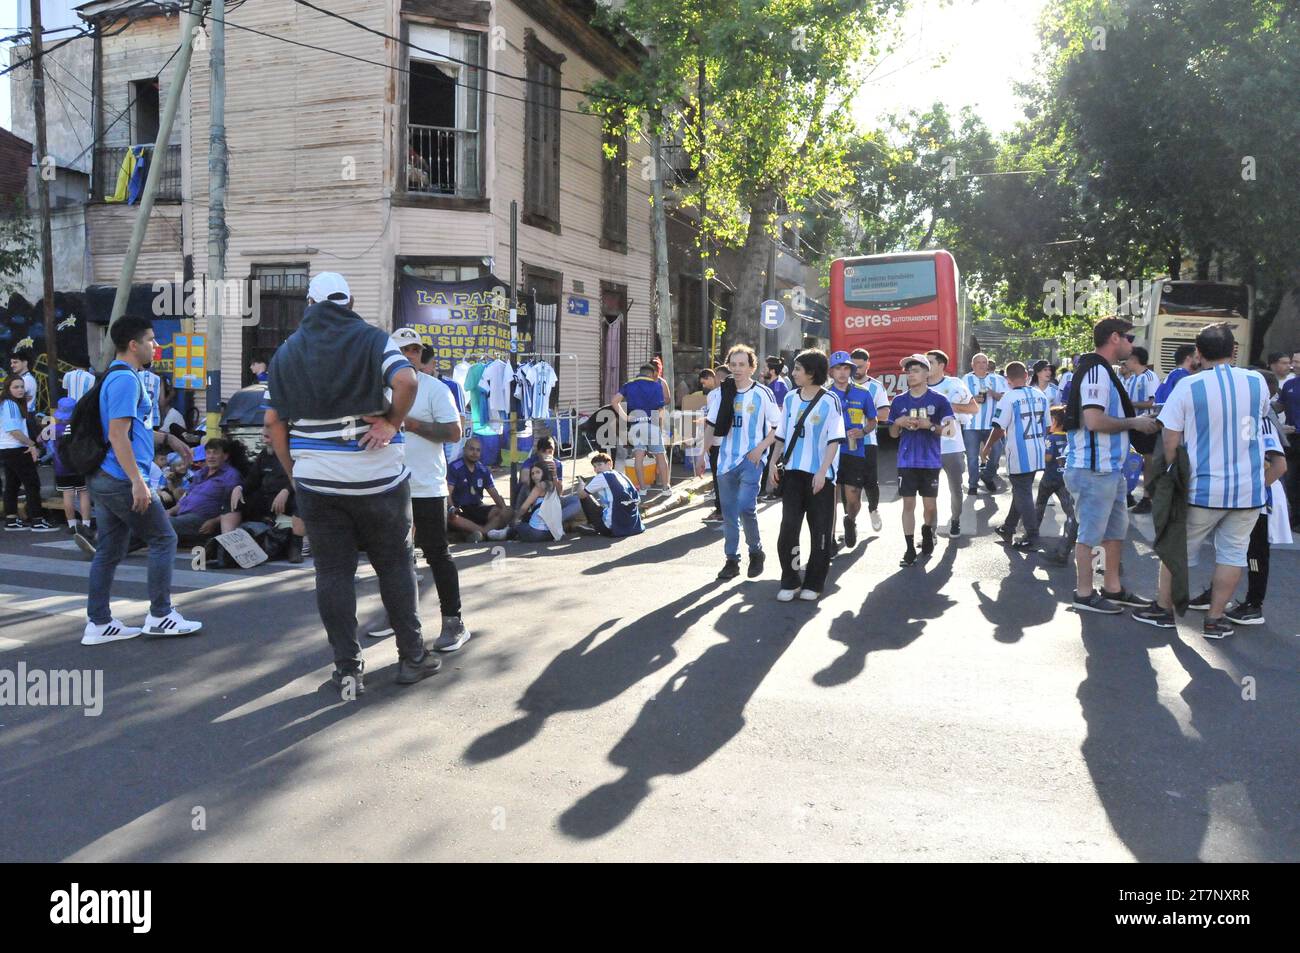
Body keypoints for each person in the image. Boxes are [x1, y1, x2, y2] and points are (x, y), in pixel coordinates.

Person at [265, 272, 440, 693]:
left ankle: (347, 669)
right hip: (379, 480)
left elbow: (273, 422)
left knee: (333, 575)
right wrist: (391, 423)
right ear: (349, 301)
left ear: (310, 303)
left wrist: (296, 473)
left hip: (318, 484)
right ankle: (412, 657)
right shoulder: (374, 339)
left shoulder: (286, 352)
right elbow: (407, 380)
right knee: (395, 567)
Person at [1132, 324, 1282, 638]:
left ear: (1197, 354)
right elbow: (1260, 419)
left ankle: (1164, 609)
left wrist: (1169, 480)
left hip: (1202, 490)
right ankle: (1215, 620)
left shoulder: (1188, 387)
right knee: (1233, 555)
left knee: (1178, 552)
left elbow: (1170, 441)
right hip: (1248, 491)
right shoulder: (1257, 382)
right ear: (1235, 350)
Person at [84, 315, 200, 645]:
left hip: (107, 477)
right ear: (133, 345)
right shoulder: (125, 381)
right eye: (151, 340)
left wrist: (168, 438)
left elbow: (132, 430)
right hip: (121, 477)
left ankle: (99, 623)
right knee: (164, 538)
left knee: (110, 548)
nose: (156, 345)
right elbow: (118, 435)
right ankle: (161, 615)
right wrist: (138, 481)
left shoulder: (122, 377)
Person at [1063, 317, 1160, 614]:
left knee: (1115, 532)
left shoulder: (1103, 371)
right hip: (1094, 469)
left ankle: (1113, 588)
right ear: (1115, 338)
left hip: (1108, 470)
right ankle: (1083, 594)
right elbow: (1093, 421)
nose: (1132, 345)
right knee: (1090, 535)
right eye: (1129, 338)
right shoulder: (1096, 372)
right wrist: (1135, 422)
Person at [390, 327, 470, 650]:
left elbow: (454, 432)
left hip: (428, 487)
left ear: (420, 355)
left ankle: (454, 622)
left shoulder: (435, 389)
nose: (409, 354)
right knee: (394, 558)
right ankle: (397, 619)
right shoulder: (382, 390)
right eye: (402, 349)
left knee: (437, 554)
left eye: (414, 349)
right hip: (391, 487)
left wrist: (412, 424)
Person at [695, 344, 780, 579]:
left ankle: (756, 551)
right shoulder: (723, 392)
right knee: (730, 513)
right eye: (733, 365)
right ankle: (732, 560)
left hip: (751, 460)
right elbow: (712, 424)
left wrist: (760, 449)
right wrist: (703, 454)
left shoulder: (762, 393)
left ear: (752, 367)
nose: (737, 369)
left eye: (742, 364)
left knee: (745, 507)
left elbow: (777, 426)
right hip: (725, 460)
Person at [768, 349, 844, 601]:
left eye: (799, 368)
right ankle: (790, 581)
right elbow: (781, 434)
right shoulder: (790, 398)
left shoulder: (829, 400)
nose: (794, 372)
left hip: (819, 477)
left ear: (812, 373)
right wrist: (772, 463)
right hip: (792, 474)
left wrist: (823, 472)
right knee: (788, 529)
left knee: (820, 532)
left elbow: (834, 439)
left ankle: (814, 582)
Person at [889, 354, 956, 567]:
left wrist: (931, 426)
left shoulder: (939, 400)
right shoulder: (899, 400)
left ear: (927, 373)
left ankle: (927, 530)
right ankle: (909, 548)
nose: (911, 374)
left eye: (916, 370)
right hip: (906, 461)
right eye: (908, 371)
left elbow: (950, 431)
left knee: (930, 506)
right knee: (908, 504)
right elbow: (892, 434)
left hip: (930, 461)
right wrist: (898, 423)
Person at [982, 361, 1051, 550]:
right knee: (1021, 490)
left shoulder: (1008, 398)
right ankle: (1008, 527)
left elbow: (998, 428)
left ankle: (1032, 535)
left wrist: (987, 447)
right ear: (1027, 376)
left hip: (1019, 453)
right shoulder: (1040, 395)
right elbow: (1047, 426)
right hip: (1037, 450)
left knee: (1023, 492)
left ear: (1007, 379)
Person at [226, 428, 306, 563]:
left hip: (288, 497)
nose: (264, 440)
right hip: (266, 498)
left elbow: (300, 477)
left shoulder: (293, 453)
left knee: (302, 501)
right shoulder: (264, 454)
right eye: (263, 437)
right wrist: (239, 488)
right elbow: (252, 480)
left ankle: (295, 548)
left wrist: (286, 490)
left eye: (268, 437)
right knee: (232, 495)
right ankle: (229, 542)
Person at [827, 351, 878, 549]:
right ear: (831, 372)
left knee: (854, 497)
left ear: (851, 370)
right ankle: (830, 539)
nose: (842, 372)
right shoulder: (825, 394)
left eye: (846, 368)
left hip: (854, 452)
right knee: (830, 498)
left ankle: (850, 520)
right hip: (829, 453)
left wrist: (863, 431)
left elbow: (874, 420)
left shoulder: (863, 393)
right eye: (838, 368)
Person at [926, 349, 977, 536]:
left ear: (941, 365)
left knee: (955, 490)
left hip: (952, 447)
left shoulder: (954, 384)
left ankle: (955, 520)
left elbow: (974, 408)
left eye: (930, 362)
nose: (926, 365)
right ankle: (930, 531)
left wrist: (951, 406)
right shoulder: (919, 386)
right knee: (929, 493)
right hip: (928, 449)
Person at [163, 437, 245, 545]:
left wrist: (214, 522)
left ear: (225, 456)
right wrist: (170, 511)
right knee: (153, 519)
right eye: (208, 453)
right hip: (183, 516)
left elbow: (232, 508)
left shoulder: (230, 475)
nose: (211, 457)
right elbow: (186, 499)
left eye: (215, 453)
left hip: (202, 520)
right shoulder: (201, 473)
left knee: (160, 525)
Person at [2, 374, 56, 531]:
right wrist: (31, 444)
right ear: (8, 389)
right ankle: (37, 520)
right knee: (32, 483)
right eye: (15, 387)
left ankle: (11, 519)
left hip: (7, 449)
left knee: (12, 484)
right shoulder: (11, 404)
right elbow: (13, 430)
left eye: (21, 386)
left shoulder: (7, 403)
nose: (20, 390)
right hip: (16, 448)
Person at [612, 362, 672, 494]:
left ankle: (642, 488)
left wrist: (625, 417)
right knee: (661, 456)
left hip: (636, 426)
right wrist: (660, 427)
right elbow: (660, 409)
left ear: (640, 372)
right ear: (652, 374)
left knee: (638, 457)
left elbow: (614, 401)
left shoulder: (628, 385)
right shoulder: (656, 385)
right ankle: (666, 488)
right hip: (652, 425)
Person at [849, 347, 891, 531]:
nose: (856, 370)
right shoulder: (841, 384)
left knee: (870, 482)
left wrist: (864, 411)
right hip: (845, 443)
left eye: (860, 366)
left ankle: (873, 509)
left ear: (868, 365)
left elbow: (885, 413)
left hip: (868, 442)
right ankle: (850, 520)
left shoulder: (875, 387)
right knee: (849, 485)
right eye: (853, 366)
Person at [44, 396, 94, 538]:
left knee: (68, 495)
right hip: (80, 465)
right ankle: (86, 524)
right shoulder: (80, 427)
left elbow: (41, 439)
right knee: (84, 494)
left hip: (61, 466)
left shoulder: (54, 428)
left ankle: (72, 525)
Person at [447, 436, 513, 541]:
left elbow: (494, 493)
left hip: (478, 508)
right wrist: (451, 507)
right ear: (464, 450)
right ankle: (485, 533)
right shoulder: (455, 467)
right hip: (460, 509)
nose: (475, 453)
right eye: (471, 449)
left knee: (507, 511)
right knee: (452, 517)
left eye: (478, 450)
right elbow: (448, 493)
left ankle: (479, 534)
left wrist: (504, 510)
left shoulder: (483, 470)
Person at [1034, 407, 1077, 564]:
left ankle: (1032, 533)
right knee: (1070, 511)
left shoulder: (1050, 439)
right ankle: (1068, 540)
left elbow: (1048, 457)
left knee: (1040, 504)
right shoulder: (1069, 437)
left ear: (1054, 421)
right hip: (1063, 479)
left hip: (1049, 478)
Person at [961, 352, 1008, 494]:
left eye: (984, 362)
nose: (981, 365)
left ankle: (987, 476)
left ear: (988, 365)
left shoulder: (997, 379)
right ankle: (973, 484)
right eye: (978, 362)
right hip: (971, 425)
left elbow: (1006, 399)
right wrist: (973, 399)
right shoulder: (965, 379)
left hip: (992, 425)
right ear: (972, 365)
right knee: (972, 456)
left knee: (996, 453)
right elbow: (959, 400)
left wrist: (993, 394)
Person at [578, 453, 644, 537]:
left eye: (599, 465)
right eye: (594, 466)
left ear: (609, 464)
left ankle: (593, 526)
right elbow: (637, 499)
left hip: (612, 528)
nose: (597, 469)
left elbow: (581, 495)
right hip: (635, 526)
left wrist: (581, 483)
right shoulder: (622, 475)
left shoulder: (602, 476)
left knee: (585, 497)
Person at [509, 465, 562, 541]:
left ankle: (505, 533)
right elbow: (559, 491)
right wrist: (554, 475)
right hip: (551, 534)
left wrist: (515, 519)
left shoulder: (540, 486)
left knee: (516, 526)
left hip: (535, 532)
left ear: (544, 473)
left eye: (538, 472)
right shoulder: (552, 485)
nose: (534, 476)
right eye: (532, 474)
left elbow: (524, 508)